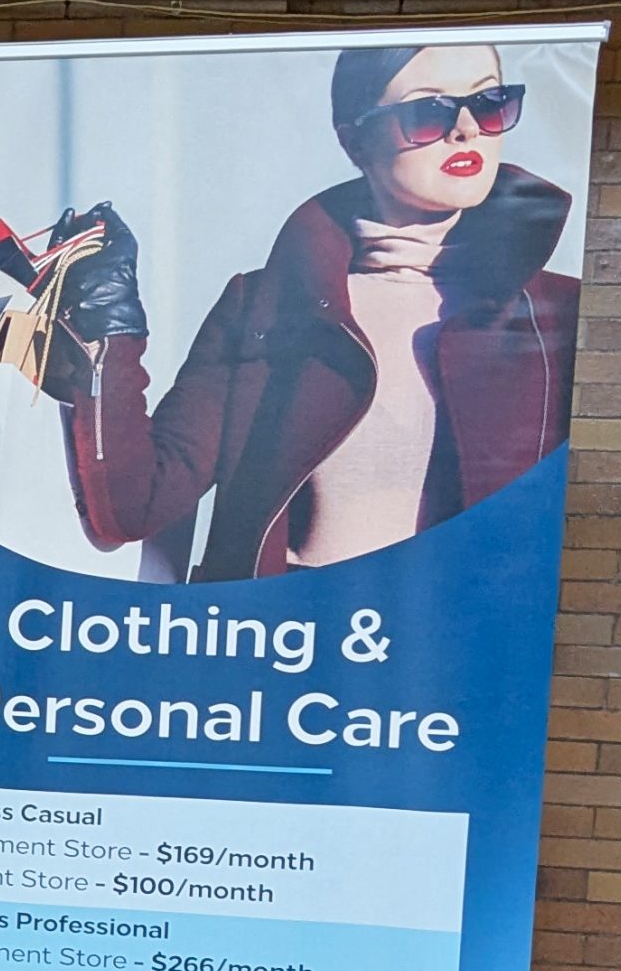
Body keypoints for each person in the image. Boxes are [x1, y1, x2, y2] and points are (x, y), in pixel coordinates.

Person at [47, 41, 581, 580]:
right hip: (291, 643)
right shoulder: (265, 305)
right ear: (355, 141)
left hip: (454, 645)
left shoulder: (559, 316)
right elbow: (136, 505)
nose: (467, 129)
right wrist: (106, 326)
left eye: (489, 102)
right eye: (428, 111)